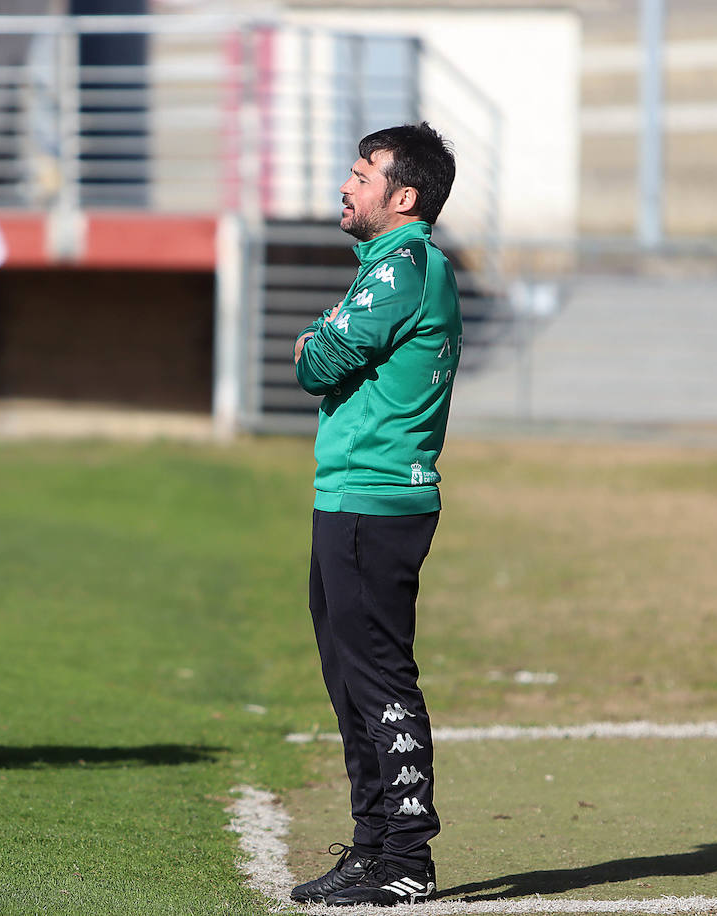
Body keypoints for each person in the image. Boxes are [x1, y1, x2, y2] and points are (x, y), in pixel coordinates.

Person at [287, 122, 460, 907]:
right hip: (348, 498)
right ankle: (371, 847)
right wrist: (324, 337)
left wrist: (315, 340)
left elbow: (320, 359)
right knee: (349, 680)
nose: (347, 184)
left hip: (376, 500)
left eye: (363, 173)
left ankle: (407, 857)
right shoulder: (385, 266)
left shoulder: (405, 267)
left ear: (404, 196)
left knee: (381, 677)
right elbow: (331, 350)